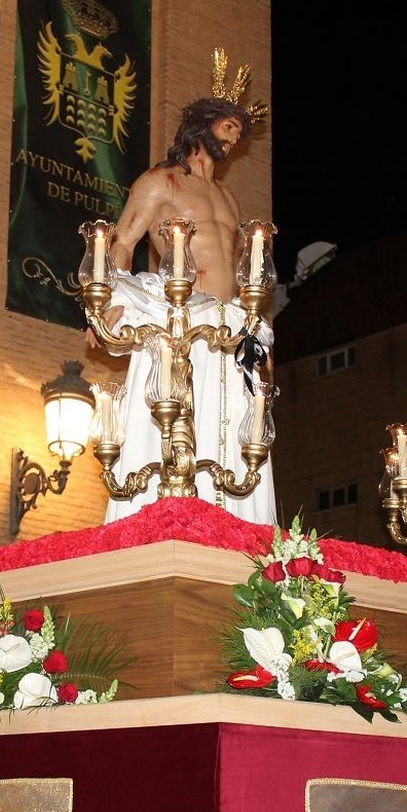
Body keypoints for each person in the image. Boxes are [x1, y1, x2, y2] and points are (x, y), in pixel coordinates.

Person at [91, 60, 277, 525]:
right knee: (172, 428)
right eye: (229, 127)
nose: (234, 140)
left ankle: (234, 524)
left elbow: (238, 272)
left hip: (229, 327)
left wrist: (255, 334)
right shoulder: (160, 182)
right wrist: (107, 305)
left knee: (238, 433)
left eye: (239, 133)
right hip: (179, 319)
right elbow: (122, 243)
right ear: (202, 124)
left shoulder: (229, 200)